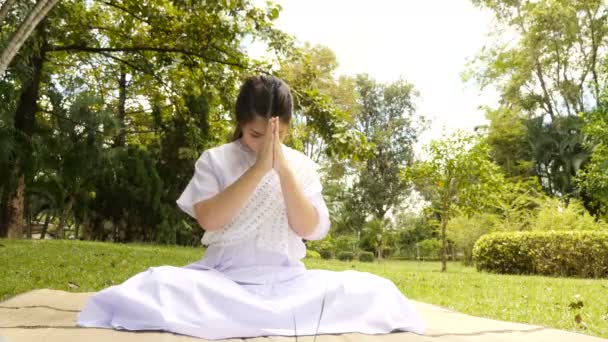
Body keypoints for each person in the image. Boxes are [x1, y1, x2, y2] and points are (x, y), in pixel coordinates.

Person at [76, 75, 426, 340]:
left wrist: (282, 169)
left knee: (374, 290)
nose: (266, 144)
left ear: (286, 128)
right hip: (221, 282)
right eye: (256, 136)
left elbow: (310, 230)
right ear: (241, 124)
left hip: (290, 285)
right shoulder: (215, 160)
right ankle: (260, 317)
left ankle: (258, 317)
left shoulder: (302, 165)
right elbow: (209, 218)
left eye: (277, 136)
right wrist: (260, 169)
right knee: (157, 285)